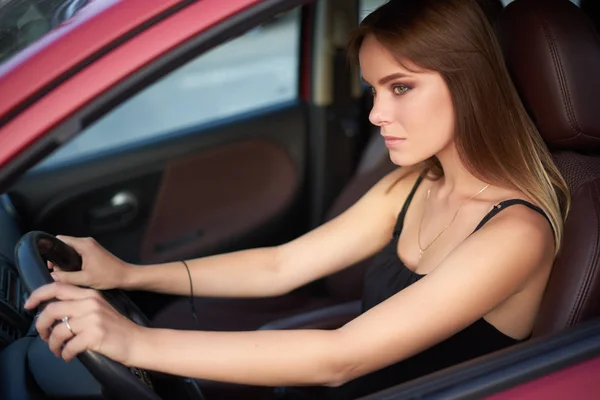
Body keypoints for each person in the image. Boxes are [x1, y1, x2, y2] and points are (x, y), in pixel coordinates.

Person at [24, 0, 570, 398]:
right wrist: (129, 274)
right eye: (374, 90)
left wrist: (134, 343)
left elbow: (340, 357)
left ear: (468, 83)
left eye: (401, 87)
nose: (377, 114)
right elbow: (280, 266)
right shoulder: (412, 185)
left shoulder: (515, 233)